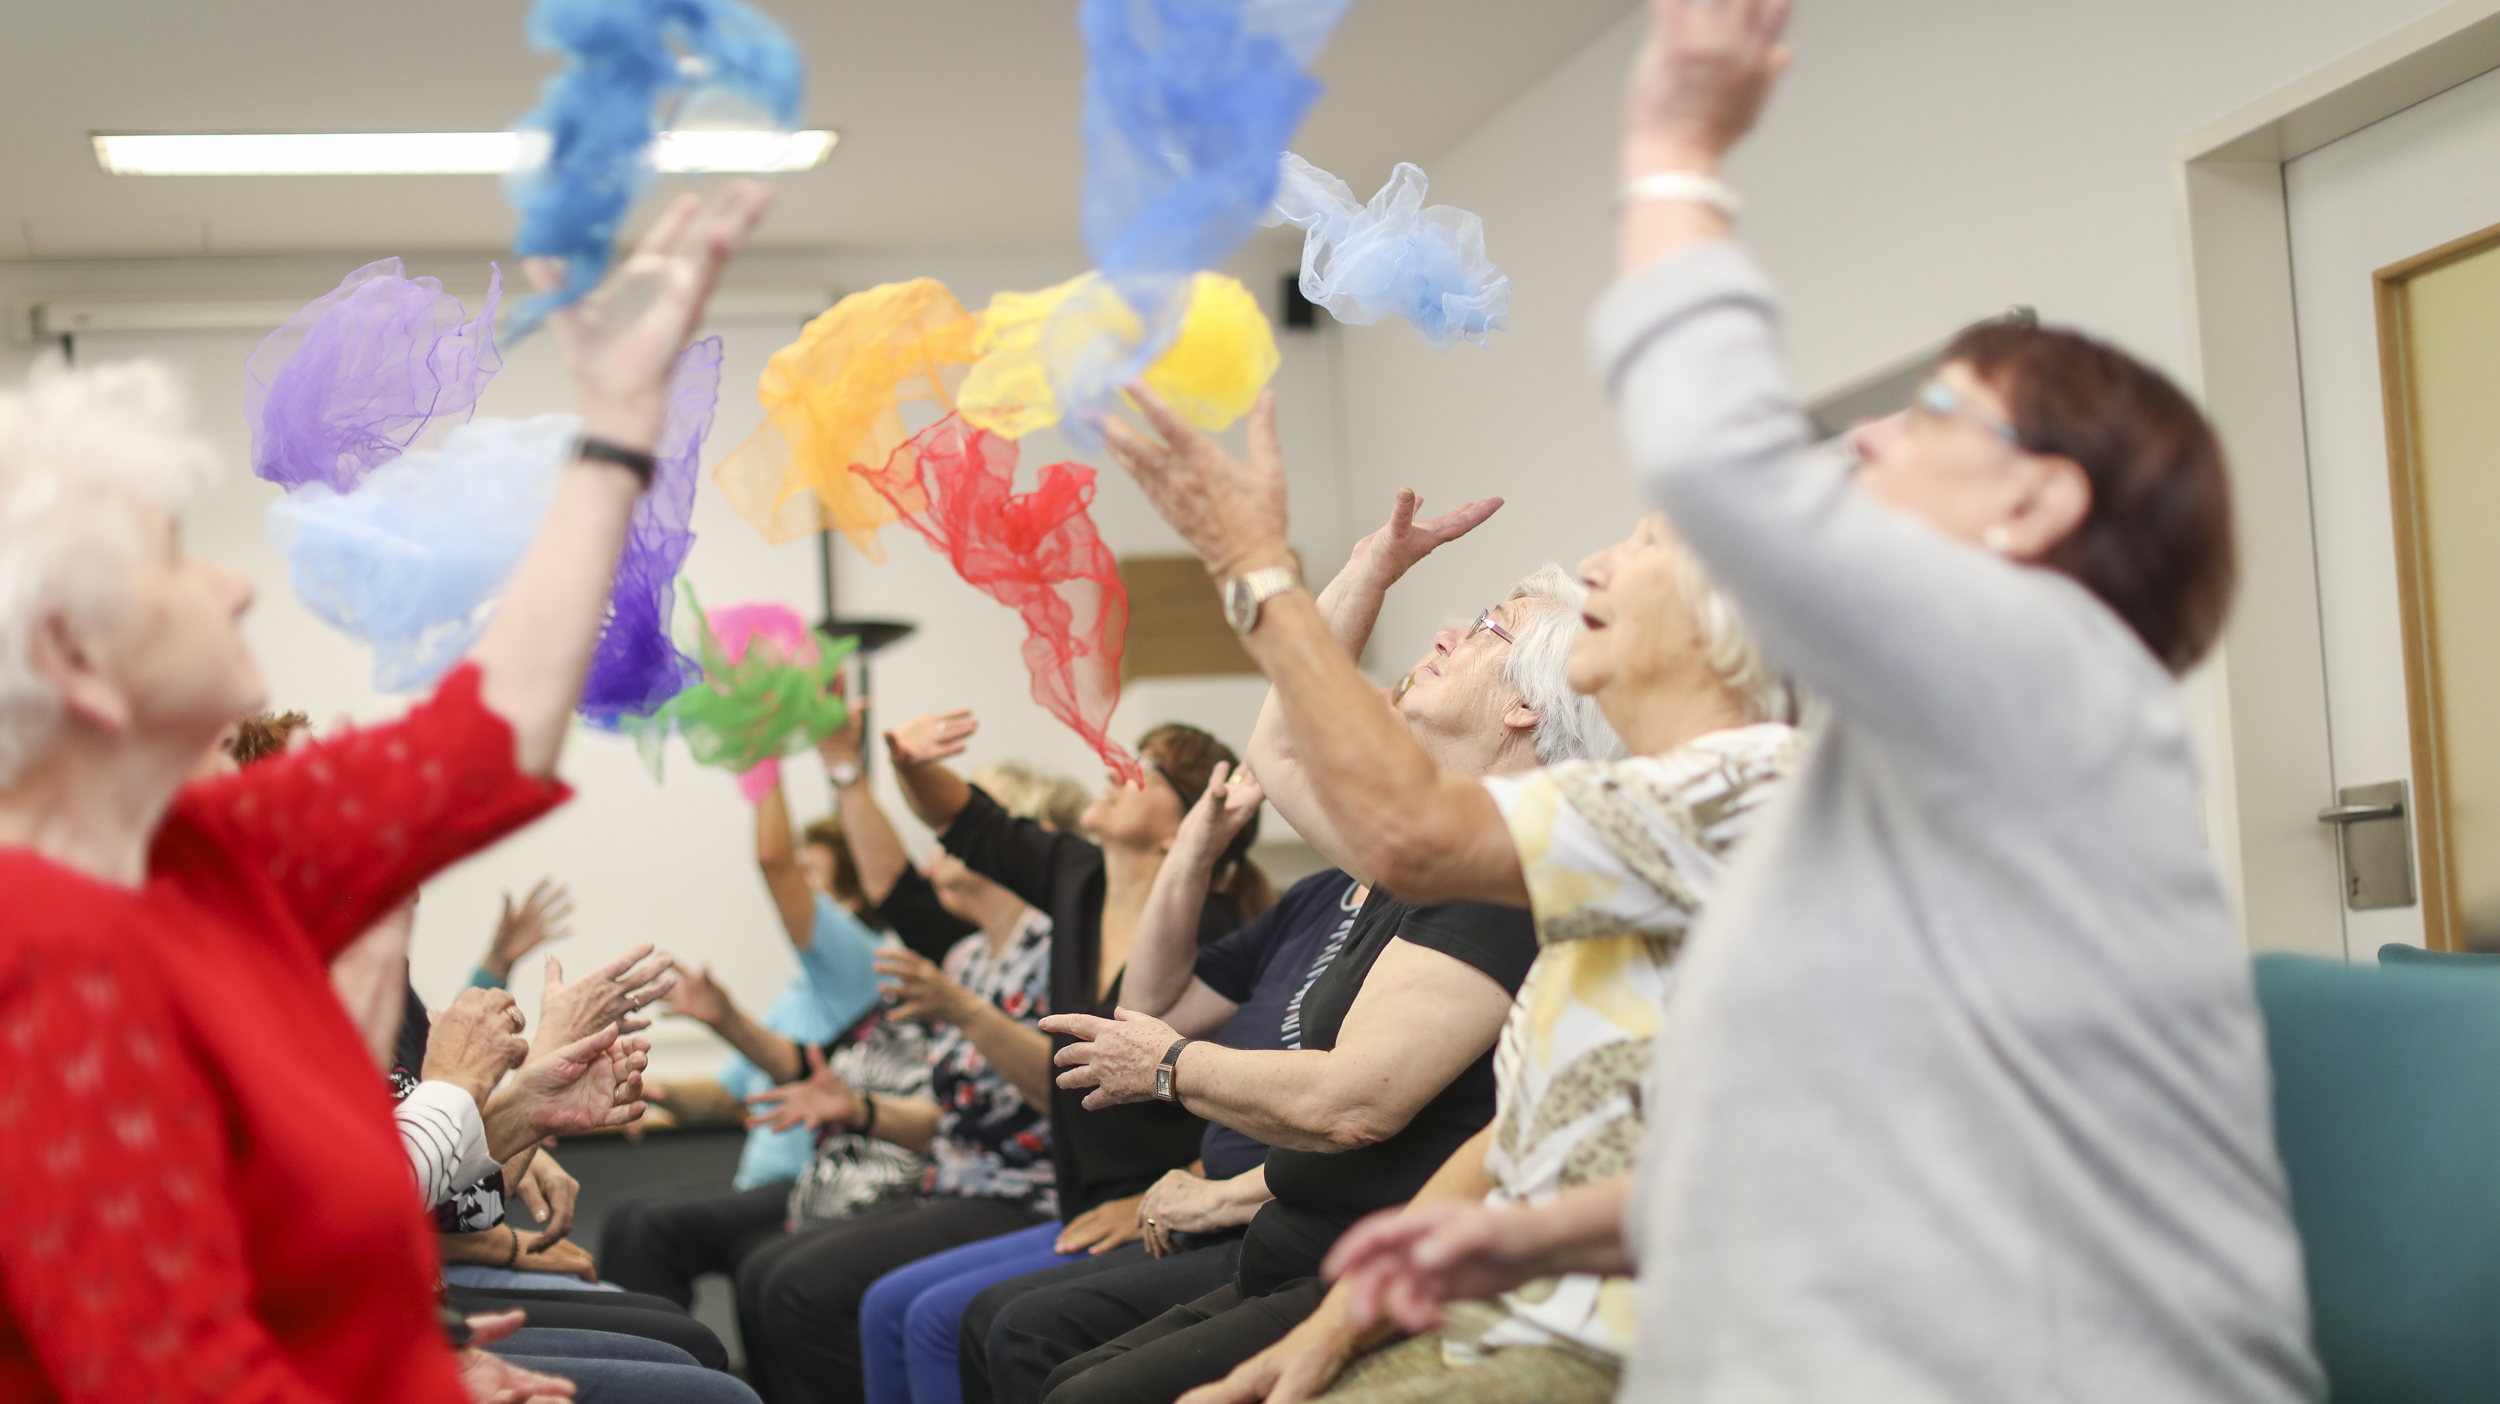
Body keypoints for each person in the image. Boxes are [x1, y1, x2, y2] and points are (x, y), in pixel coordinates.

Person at [1124, 5, 2328, 1402]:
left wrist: (1677, 146)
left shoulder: (1934, 737)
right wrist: (1500, 1241)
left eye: (1934, 417)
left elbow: (1407, 832)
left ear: (2037, 503)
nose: (1873, 430)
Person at [0, 179, 775, 1401]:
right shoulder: (44, 964)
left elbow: (489, 741)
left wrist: (617, 430)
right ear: (79, 667)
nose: (235, 584)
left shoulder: (215, 847)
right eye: (171, 567)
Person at [955, 489, 1608, 1404]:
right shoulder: (1429, 854)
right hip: (1287, 1250)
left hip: (1357, 1274)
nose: (1454, 630)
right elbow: (1283, 755)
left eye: (1492, 629)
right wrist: (1368, 569)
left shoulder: (1505, 884)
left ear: (1526, 711)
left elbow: (1356, 1105)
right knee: (1063, 1374)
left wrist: (1173, 1066)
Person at [602, 773, 920, 1309]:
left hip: (810, 1185)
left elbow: (775, 864)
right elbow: (727, 1098)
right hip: (759, 1185)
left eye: (811, 872)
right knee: (629, 1217)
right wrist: (649, 1091)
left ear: (852, 891)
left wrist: (763, 758)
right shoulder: (798, 994)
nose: (799, 888)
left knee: (645, 1227)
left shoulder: (864, 962)